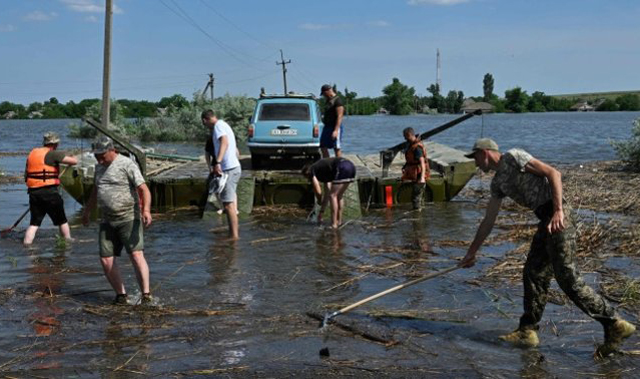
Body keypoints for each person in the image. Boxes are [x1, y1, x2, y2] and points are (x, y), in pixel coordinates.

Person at [458, 138, 635, 358]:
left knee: (567, 278)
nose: (475, 163)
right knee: (533, 272)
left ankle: (614, 323)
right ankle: (527, 331)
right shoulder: (497, 183)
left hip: (558, 216)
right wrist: (472, 252)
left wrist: (558, 210)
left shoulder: (513, 157)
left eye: (475, 157)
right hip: (545, 221)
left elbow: (554, 174)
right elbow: (488, 221)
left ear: (484, 153)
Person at [82, 136, 153, 306]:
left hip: (128, 217)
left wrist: (146, 210)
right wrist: (87, 211)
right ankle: (121, 295)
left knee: (136, 255)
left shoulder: (126, 164)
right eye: (97, 155)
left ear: (112, 150)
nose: (99, 159)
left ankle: (146, 295)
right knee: (106, 259)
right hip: (107, 220)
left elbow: (144, 189)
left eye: (102, 155)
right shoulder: (99, 167)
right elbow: (95, 191)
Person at [23, 132, 78, 245]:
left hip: (34, 193)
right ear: (55, 143)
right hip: (50, 193)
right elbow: (74, 162)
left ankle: (27, 244)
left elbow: (26, 176)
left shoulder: (32, 154)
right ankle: (68, 241)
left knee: (34, 223)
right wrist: (74, 156)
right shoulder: (53, 154)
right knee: (62, 220)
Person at [201, 110, 241, 240]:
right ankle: (232, 234)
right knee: (229, 204)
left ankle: (234, 237)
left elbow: (225, 142)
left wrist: (217, 162)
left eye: (204, 123)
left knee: (229, 205)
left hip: (229, 169)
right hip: (232, 168)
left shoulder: (218, 126)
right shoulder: (223, 124)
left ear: (204, 120)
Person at [302, 157, 356, 229]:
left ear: (307, 173)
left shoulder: (312, 170)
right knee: (339, 195)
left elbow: (318, 191)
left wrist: (319, 201)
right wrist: (322, 211)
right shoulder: (324, 171)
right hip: (351, 166)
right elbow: (327, 193)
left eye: (307, 178)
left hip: (341, 166)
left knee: (333, 196)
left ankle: (334, 224)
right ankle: (339, 221)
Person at [401, 127, 430, 210]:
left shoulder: (417, 148)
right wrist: (405, 166)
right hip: (415, 173)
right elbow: (411, 159)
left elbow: (422, 162)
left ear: (409, 135)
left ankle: (417, 215)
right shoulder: (411, 145)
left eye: (405, 136)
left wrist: (422, 178)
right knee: (418, 196)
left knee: (416, 197)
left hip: (419, 174)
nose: (405, 138)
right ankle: (420, 213)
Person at [319, 84, 345, 158]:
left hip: (335, 127)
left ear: (328, 91)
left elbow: (340, 116)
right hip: (327, 127)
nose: (324, 96)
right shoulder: (328, 101)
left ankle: (338, 165)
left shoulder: (338, 101)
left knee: (336, 147)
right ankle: (327, 164)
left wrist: (336, 130)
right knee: (323, 146)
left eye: (324, 94)